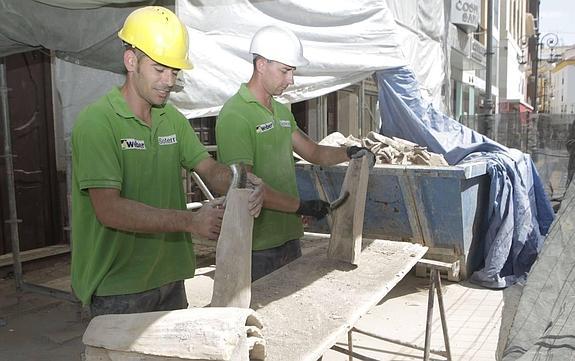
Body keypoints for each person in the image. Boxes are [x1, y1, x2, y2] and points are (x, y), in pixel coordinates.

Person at [70, 6, 263, 317]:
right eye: (159, 69)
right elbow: (109, 209)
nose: (169, 81)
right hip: (118, 286)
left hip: (170, 277)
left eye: (174, 72)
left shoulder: (170, 118)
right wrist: (191, 221)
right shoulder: (97, 123)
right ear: (131, 61)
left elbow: (209, 168)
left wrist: (244, 182)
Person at [215, 25, 375, 281]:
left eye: (292, 71)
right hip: (256, 245)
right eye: (285, 70)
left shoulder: (280, 112)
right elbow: (247, 186)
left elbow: (312, 151)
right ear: (261, 65)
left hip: (289, 236)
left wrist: (349, 152)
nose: (291, 79)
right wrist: (301, 206)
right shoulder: (235, 114)